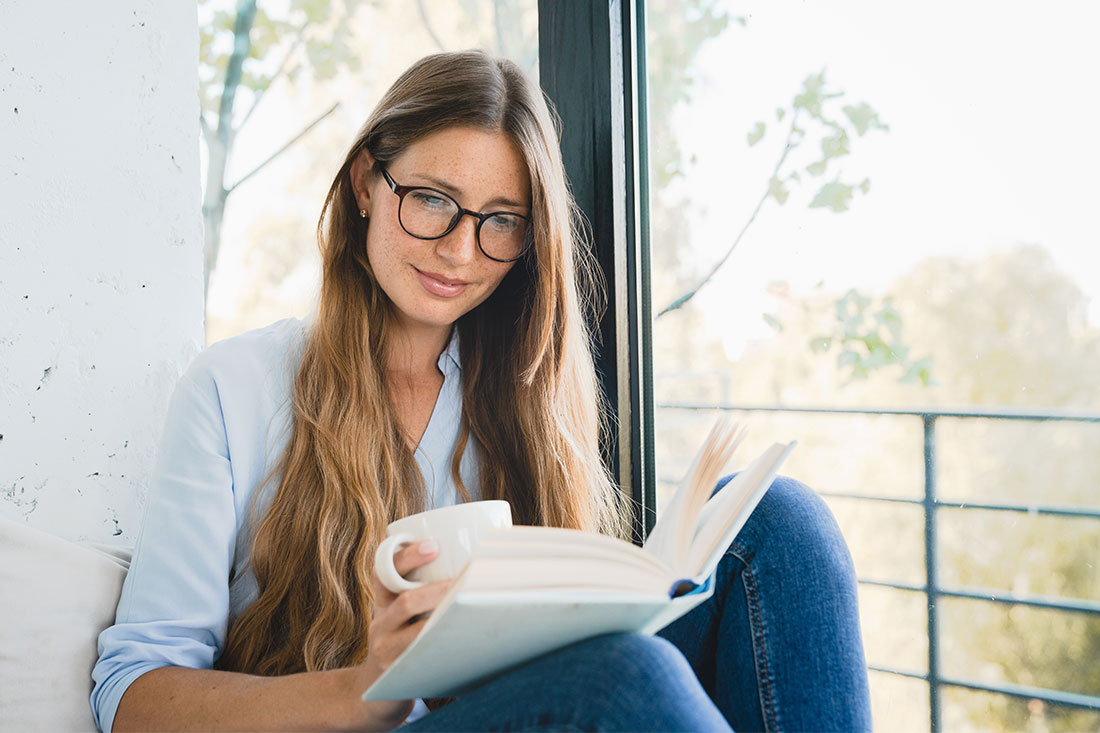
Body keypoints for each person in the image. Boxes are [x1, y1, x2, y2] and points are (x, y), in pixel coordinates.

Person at [91, 50, 871, 732]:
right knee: (626, 677)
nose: (461, 251)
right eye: (431, 199)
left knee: (781, 522)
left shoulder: (523, 394)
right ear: (367, 182)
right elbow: (132, 699)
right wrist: (362, 690)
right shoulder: (234, 388)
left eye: (501, 220)